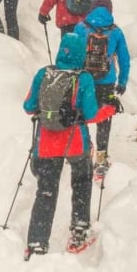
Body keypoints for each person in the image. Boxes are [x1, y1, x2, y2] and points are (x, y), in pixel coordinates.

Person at [22, 32, 114, 259]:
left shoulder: (44, 74)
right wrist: (110, 108)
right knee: (82, 182)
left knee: (46, 191)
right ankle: (78, 234)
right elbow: (91, 114)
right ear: (82, 53)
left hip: (46, 144)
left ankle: (36, 243)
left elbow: (28, 106)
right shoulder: (83, 79)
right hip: (75, 142)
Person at [69, 0, 129, 175]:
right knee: (104, 118)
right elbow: (125, 60)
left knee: (81, 115)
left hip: (84, 80)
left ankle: (85, 150)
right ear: (109, 10)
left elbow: (72, 54)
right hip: (107, 82)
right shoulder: (115, 31)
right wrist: (122, 82)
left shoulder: (81, 28)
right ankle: (101, 159)